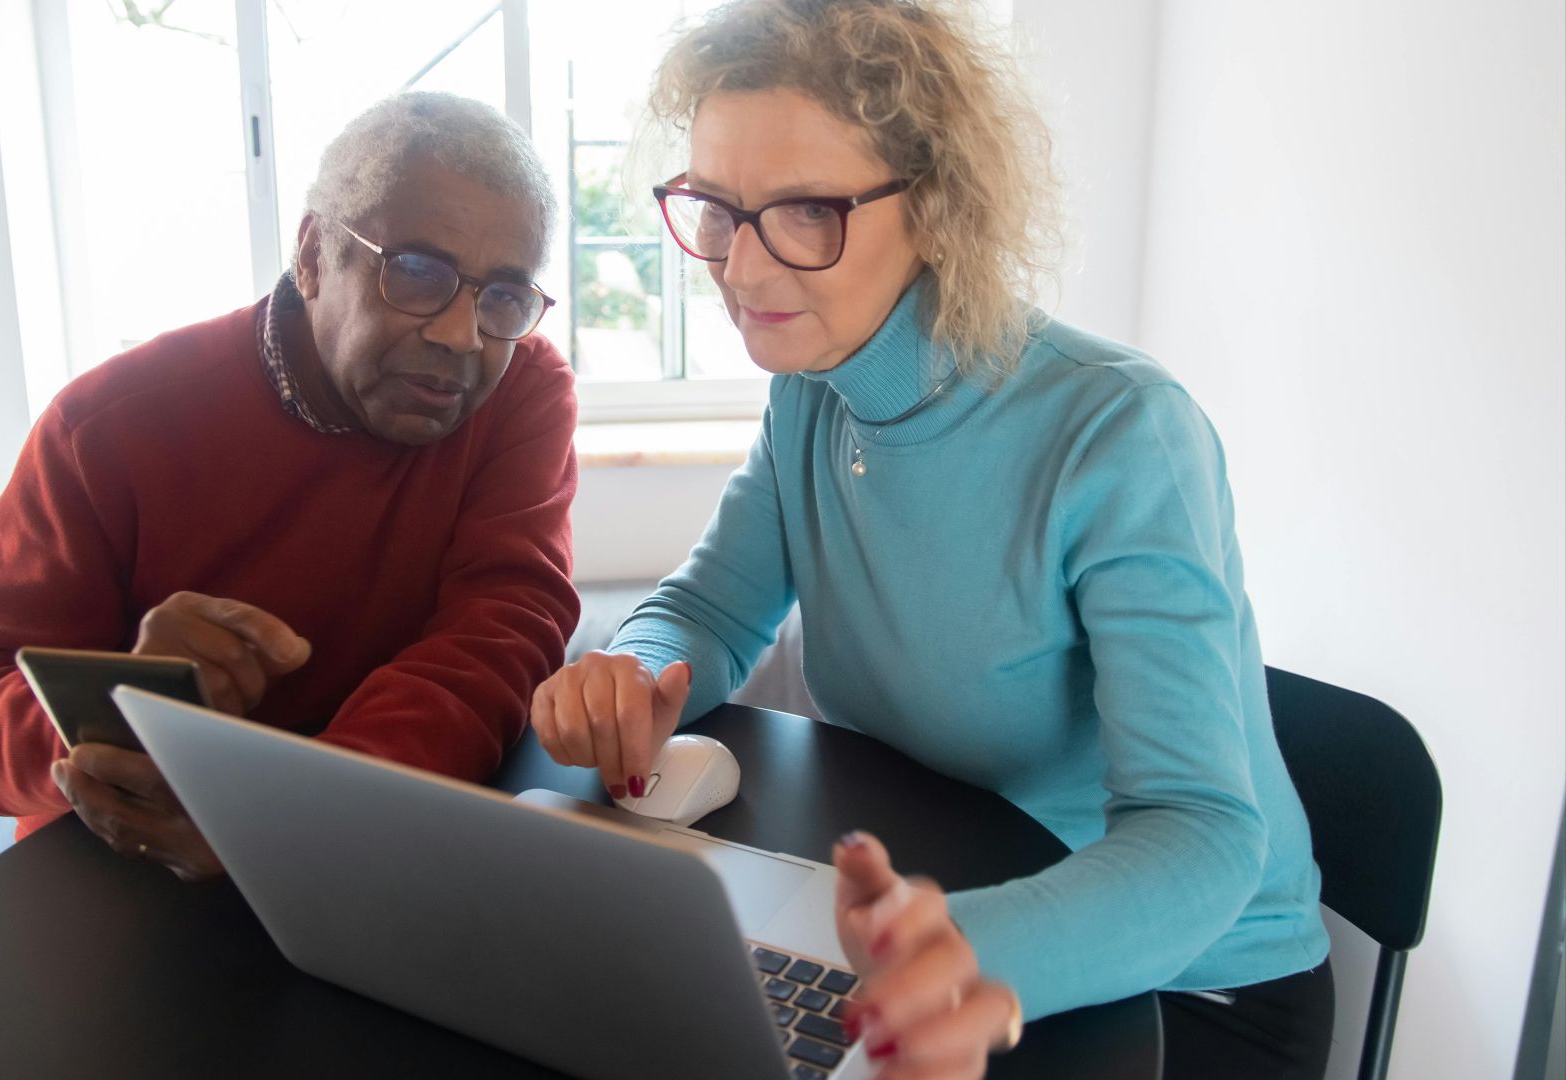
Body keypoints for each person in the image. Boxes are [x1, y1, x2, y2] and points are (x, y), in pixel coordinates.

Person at [529, 3, 1333, 1077]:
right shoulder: (813, 391)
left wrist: (967, 948)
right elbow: (713, 610)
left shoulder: (1121, 432)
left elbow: (1203, 835)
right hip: (922, 922)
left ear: (939, 207)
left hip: (1180, 987)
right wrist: (633, 670)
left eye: (807, 212)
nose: (742, 269)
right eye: (716, 208)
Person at [0, 92, 580, 882]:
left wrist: (290, 817)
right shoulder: (111, 427)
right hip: (130, 876)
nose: (460, 336)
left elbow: (503, 629)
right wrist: (114, 710)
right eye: (416, 272)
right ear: (312, 255)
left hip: (364, 832)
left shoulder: (520, 388)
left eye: (503, 294)